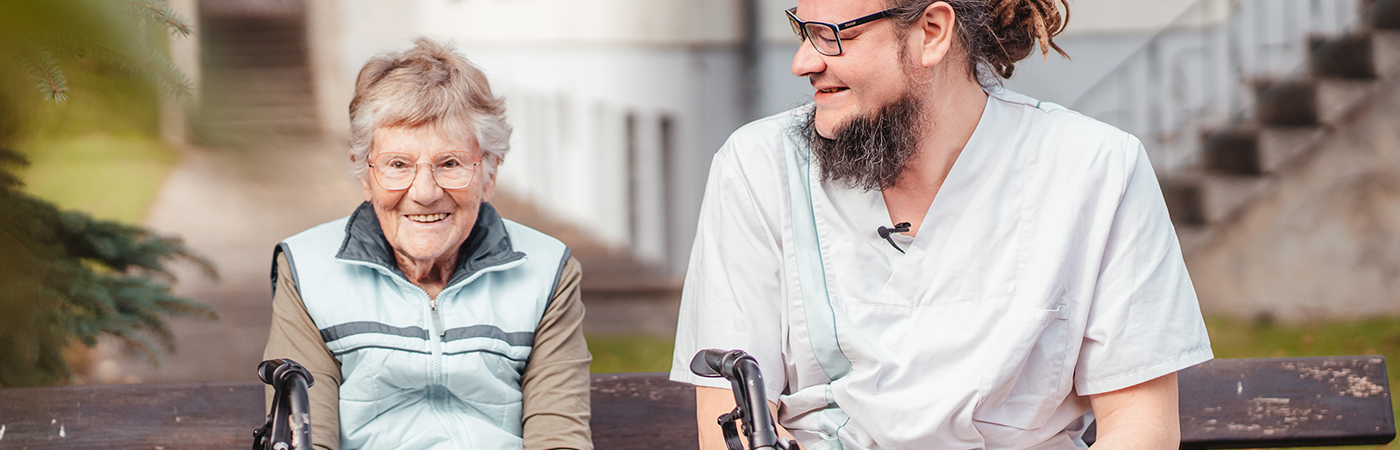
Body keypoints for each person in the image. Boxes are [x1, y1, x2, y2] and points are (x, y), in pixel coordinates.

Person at [670, 0, 1213, 449]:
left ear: (932, 32)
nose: (803, 61)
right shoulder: (758, 166)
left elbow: (1140, 424)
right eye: (802, 31)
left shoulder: (1096, 168)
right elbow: (728, 420)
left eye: (834, 36)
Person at [262, 38, 592, 450]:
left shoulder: (547, 271)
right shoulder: (307, 270)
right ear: (365, 174)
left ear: (490, 172)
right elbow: (306, 437)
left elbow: (558, 437)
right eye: (398, 164)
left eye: (450, 163)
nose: (424, 193)